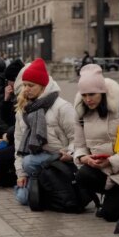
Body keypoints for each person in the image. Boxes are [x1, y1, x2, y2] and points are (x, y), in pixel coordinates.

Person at [73, 64, 119, 222]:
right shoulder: (81, 113)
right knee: (83, 175)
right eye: (84, 95)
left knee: (110, 215)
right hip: (104, 171)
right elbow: (79, 146)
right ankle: (113, 195)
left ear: (102, 91)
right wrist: (84, 158)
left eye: (92, 94)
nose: (88, 99)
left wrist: (111, 161)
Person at [14, 58, 75, 205]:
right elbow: (18, 145)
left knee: (29, 162)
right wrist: (20, 174)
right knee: (23, 198)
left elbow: (77, 137)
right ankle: (41, 185)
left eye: (31, 85)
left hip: (60, 158)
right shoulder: (23, 110)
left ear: (43, 86)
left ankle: (47, 187)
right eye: (25, 85)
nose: (26, 89)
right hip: (36, 160)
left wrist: (70, 154)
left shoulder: (62, 107)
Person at [0, 58, 25, 127]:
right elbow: (5, 119)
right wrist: (6, 100)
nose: (8, 83)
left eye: (9, 80)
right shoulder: (14, 95)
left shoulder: (22, 96)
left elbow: (12, 122)